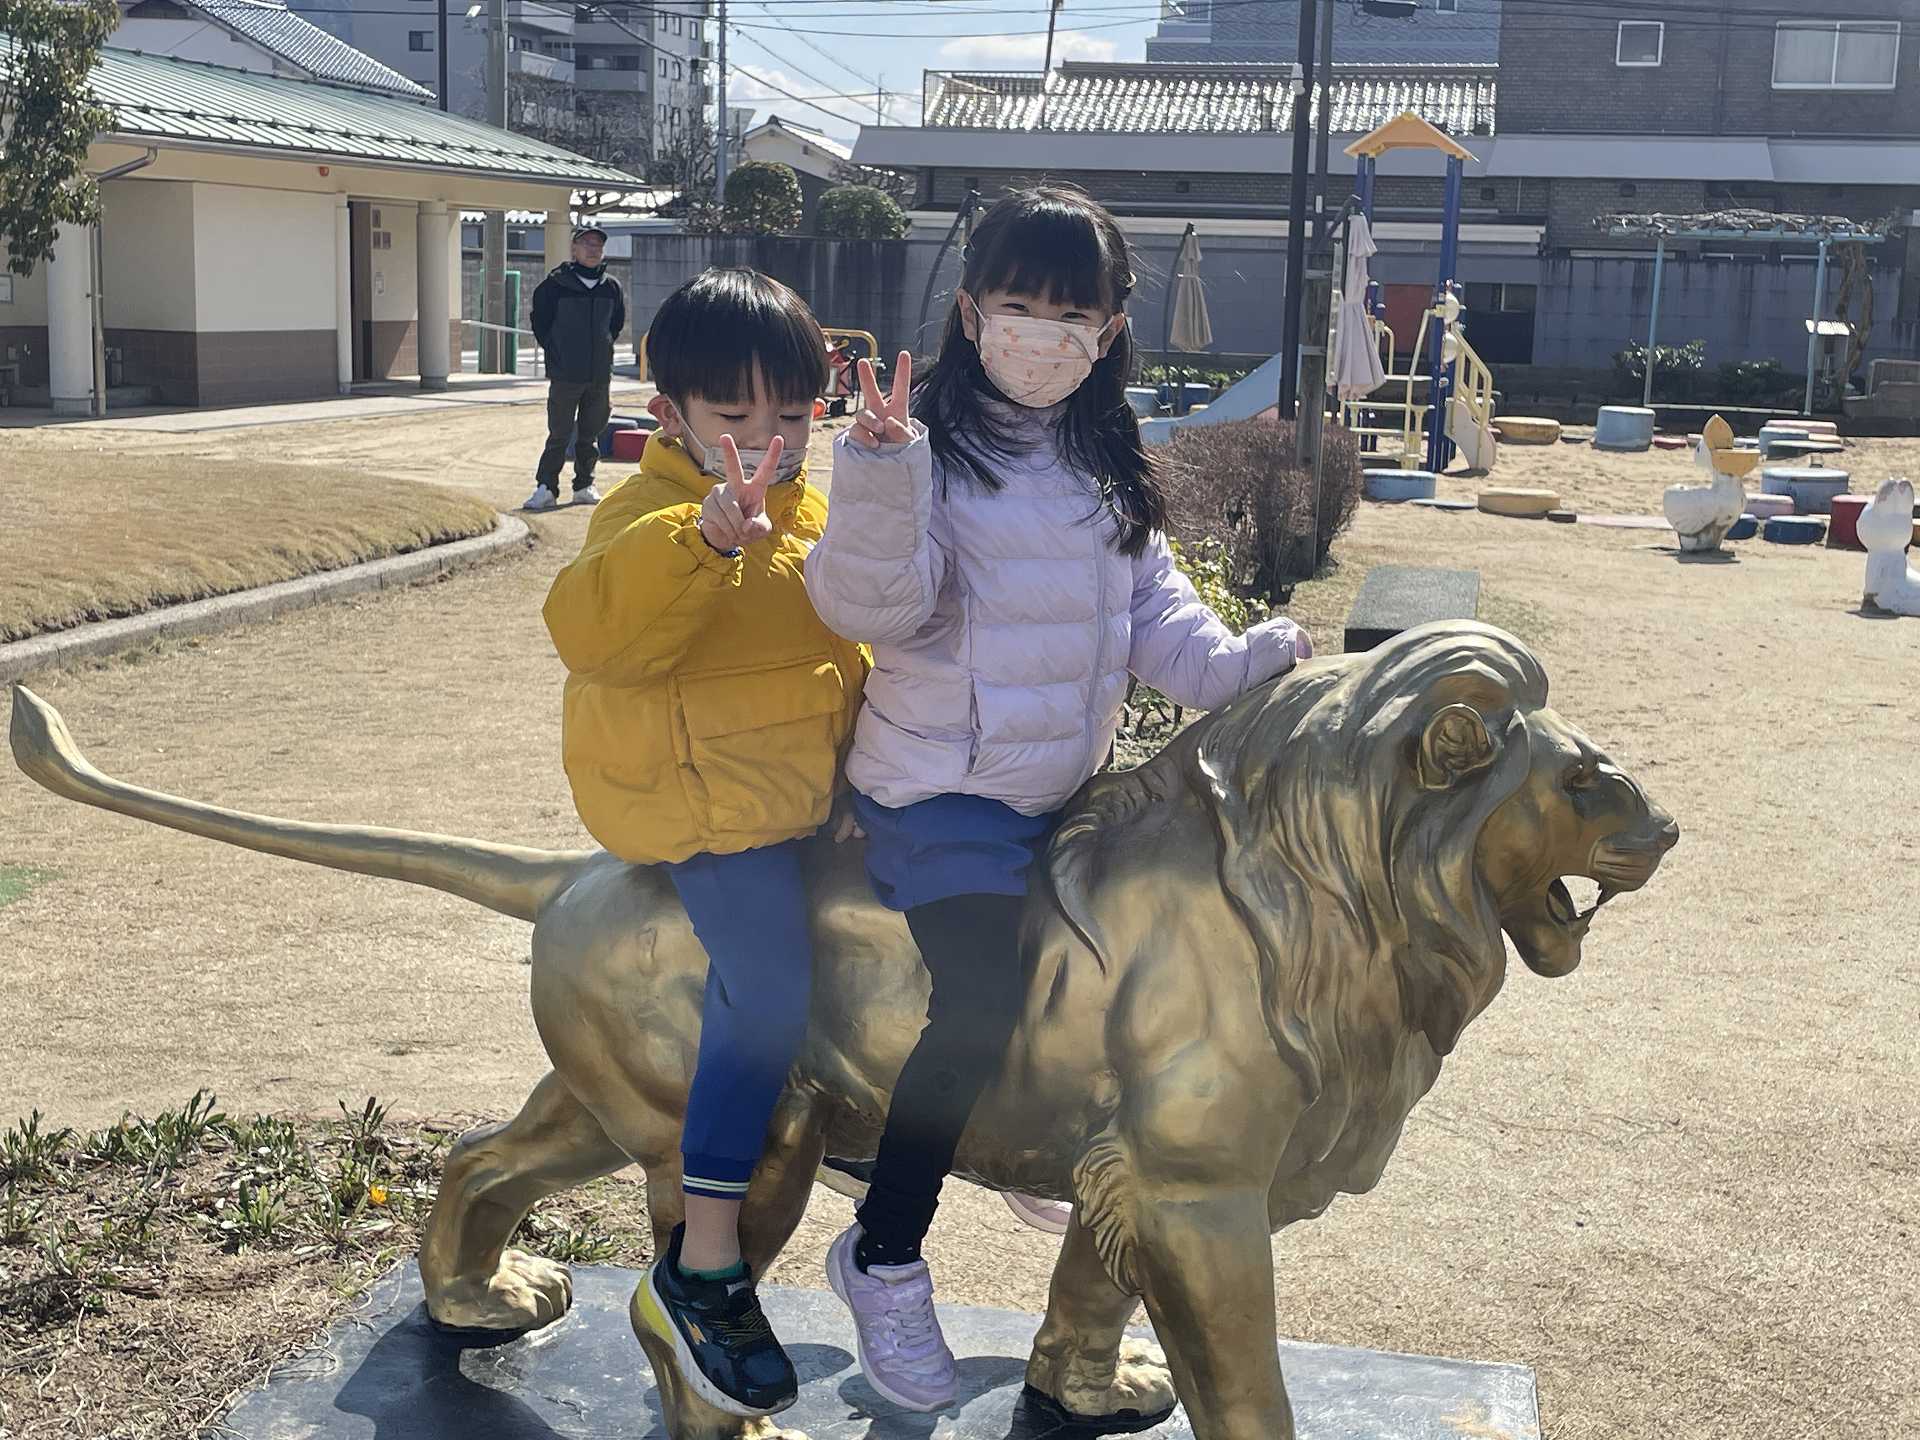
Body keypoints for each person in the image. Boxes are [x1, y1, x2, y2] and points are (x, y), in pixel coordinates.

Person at [803, 185, 1314, 1414]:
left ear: (1108, 330)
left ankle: (1027, 1143)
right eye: (1020, 304)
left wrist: (1246, 663)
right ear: (972, 312)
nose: (1043, 333)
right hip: (939, 790)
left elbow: (1159, 620)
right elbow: (868, 606)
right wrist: (877, 476)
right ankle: (883, 1251)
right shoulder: (918, 450)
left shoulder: (1103, 460)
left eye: (1070, 313)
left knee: (1140, 964)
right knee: (982, 997)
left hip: (1059, 793)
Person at [542, 267, 865, 1419]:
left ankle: (887, 1145)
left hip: (797, 800)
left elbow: (850, 653)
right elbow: (591, 632)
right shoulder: (647, 516)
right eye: (734, 414)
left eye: (795, 414)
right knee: (768, 988)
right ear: (668, 412)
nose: (767, 439)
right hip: (707, 814)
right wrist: (702, 538)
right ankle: (705, 1259)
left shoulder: (814, 508)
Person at [527, 223, 626, 511]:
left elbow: (615, 325)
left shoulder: (611, 287)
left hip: (599, 374)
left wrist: (603, 350)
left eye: (598, 245)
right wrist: (558, 352)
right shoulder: (555, 285)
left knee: (590, 433)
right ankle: (546, 487)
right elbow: (541, 323)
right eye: (587, 244)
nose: (593, 250)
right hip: (566, 374)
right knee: (559, 433)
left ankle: (584, 485)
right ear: (574, 249)